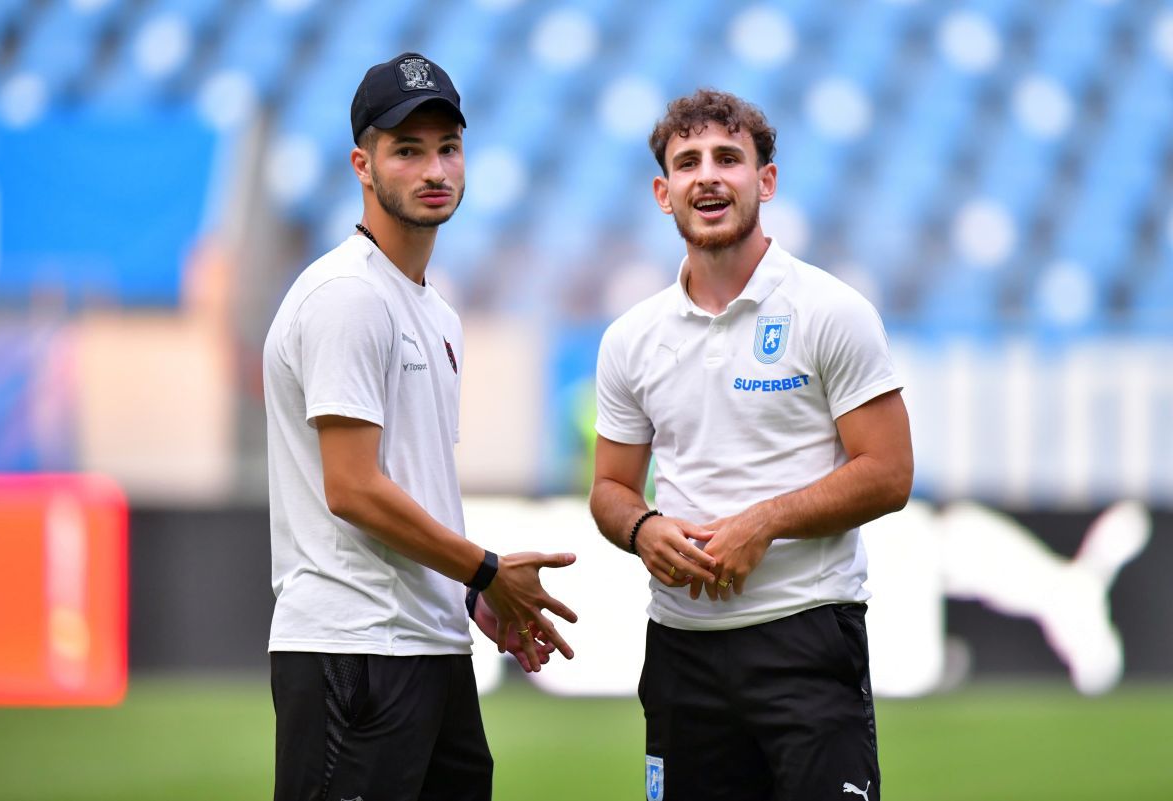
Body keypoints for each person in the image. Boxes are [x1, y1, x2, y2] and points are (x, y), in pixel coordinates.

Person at [263, 52, 577, 801]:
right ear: (362, 165)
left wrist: (468, 599)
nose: (434, 168)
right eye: (407, 149)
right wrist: (488, 573)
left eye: (447, 147)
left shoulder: (434, 310)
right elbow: (353, 489)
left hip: (428, 644)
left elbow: (409, 486)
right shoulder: (347, 297)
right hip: (354, 649)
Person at [590, 89, 913, 801]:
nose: (707, 176)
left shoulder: (832, 311)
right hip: (680, 650)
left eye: (728, 159)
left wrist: (763, 523)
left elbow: (889, 473)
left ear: (764, 180)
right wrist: (643, 529)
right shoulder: (630, 338)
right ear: (662, 191)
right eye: (687, 162)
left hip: (805, 636)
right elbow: (609, 490)